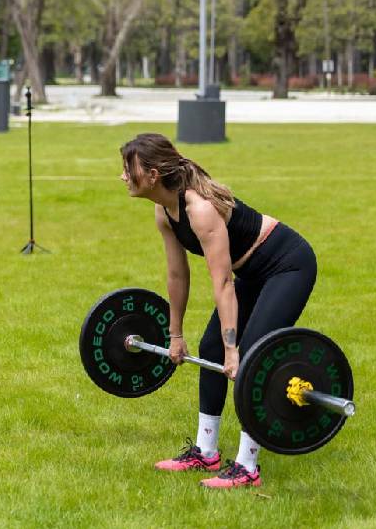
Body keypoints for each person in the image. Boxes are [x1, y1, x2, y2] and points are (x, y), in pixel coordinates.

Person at [120, 133, 317, 489]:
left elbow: (223, 283)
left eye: (128, 169)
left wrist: (234, 350)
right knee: (210, 346)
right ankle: (206, 451)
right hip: (255, 272)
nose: (123, 177)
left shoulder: (200, 209)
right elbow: (177, 275)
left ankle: (247, 466)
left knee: (255, 357)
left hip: (288, 266)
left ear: (152, 174)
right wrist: (175, 335)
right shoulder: (164, 211)